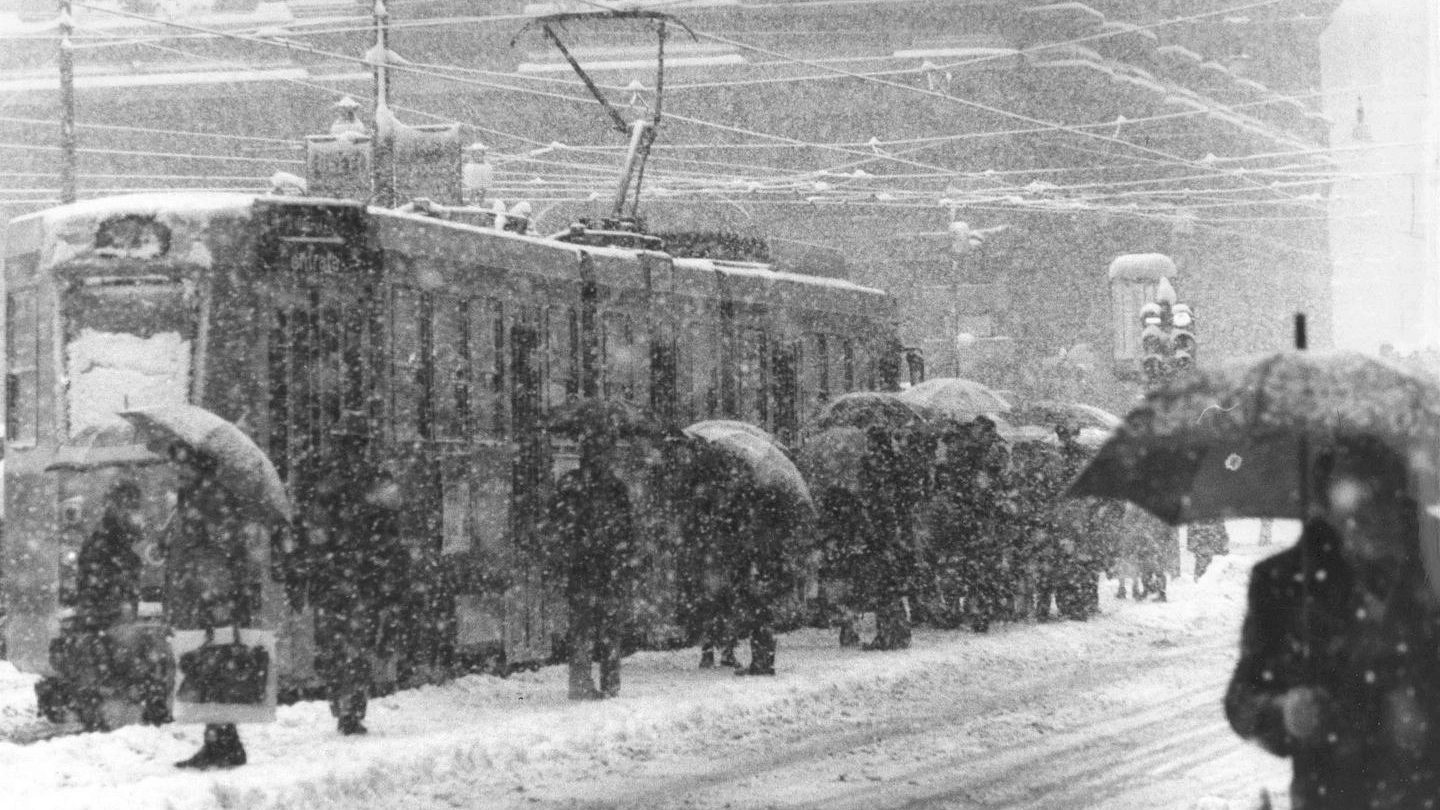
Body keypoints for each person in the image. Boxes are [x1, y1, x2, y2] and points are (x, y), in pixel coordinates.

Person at [1225, 437, 1440, 809]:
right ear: (1324, 506)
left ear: (1400, 496)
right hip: (1330, 794)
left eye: (1379, 499)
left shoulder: (1434, 565)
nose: (1367, 518)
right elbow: (1243, 700)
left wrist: (1425, 712)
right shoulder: (1283, 581)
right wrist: (1284, 713)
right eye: (1351, 503)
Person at [168, 443, 269, 770]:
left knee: (215, 666)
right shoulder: (198, 497)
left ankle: (223, 745)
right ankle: (222, 743)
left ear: (198, 468)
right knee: (209, 668)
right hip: (206, 595)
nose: (178, 471)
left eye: (183, 465)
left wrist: (216, 600)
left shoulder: (209, 499)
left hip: (215, 598)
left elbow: (217, 551)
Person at [306, 467, 404, 735]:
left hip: (340, 584)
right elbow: (389, 539)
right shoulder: (377, 486)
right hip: (360, 585)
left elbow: (316, 537)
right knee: (355, 649)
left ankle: (344, 706)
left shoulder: (328, 486)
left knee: (339, 649)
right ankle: (350, 708)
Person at [551, 432, 642, 700]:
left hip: (581, 568)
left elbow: (557, 523)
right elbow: (627, 531)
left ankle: (580, 683)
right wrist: (625, 560)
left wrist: (565, 555)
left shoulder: (569, 484)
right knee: (610, 628)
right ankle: (610, 683)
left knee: (581, 628)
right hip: (607, 567)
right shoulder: (615, 487)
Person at [72, 479, 145, 732]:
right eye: (128, 505)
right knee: (104, 669)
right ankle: (101, 720)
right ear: (114, 506)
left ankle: (103, 718)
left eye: (134, 505)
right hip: (105, 617)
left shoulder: (117, 537)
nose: (133, 511)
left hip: (108, 615)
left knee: (109, 669)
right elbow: (94, 581)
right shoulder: (106, 540)